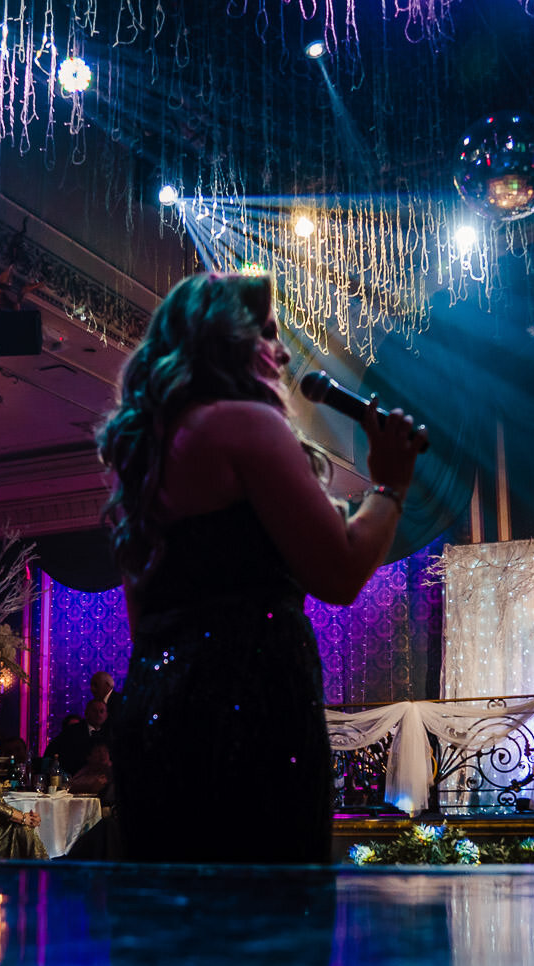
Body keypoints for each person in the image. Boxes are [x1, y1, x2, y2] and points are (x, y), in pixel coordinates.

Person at [94, 271, 424, 863]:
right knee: (269, 920)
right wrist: (390, 484)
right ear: (224, 337)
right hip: (248, 708)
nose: (280, 350)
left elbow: (141, 620)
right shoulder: (243, 423)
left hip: (156, 707)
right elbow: (340, 571)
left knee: (170, 924)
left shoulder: (150, 455)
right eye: (266, 333)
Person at [0, 733, 48, 860]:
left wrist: (27, 818)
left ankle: (37, 871)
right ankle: (41, 871)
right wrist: (22, 818)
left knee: (25, 829)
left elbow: (2, 804)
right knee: (24, 829)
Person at [44, 699, 106, 775]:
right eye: (94, 711)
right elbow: (52, 752)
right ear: (86, 713)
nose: (98, 715)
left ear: (106, 715)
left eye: (101, 711)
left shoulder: (111, 733)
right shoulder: (72, 731)